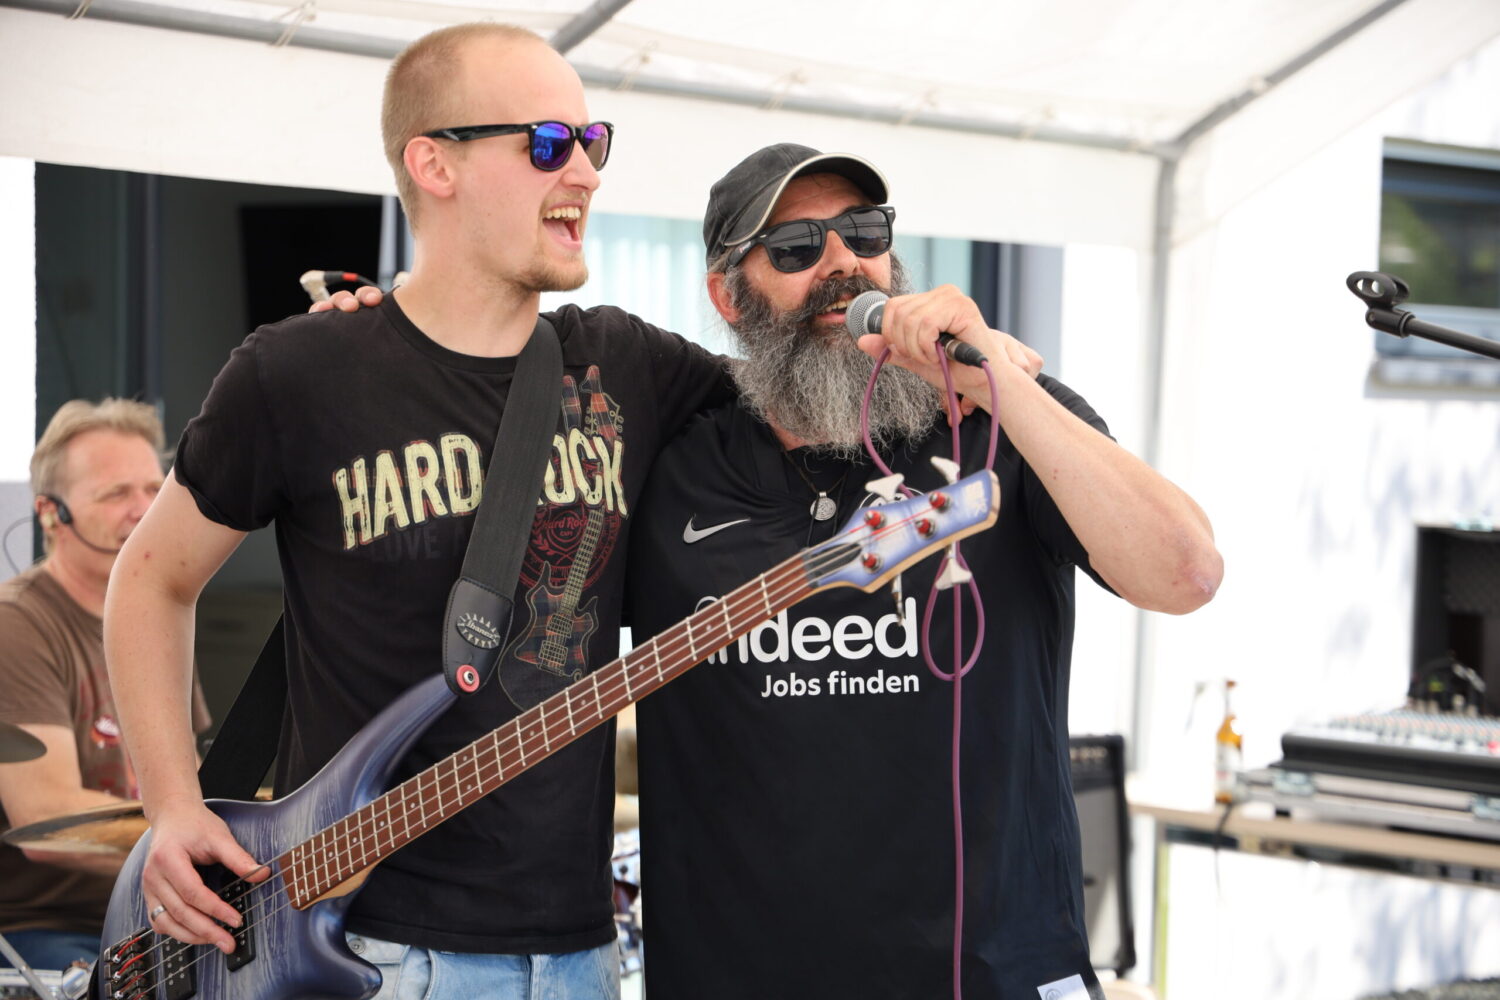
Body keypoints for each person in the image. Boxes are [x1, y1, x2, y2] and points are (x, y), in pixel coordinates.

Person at [104, 22, 732, 1000]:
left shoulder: (628, 363)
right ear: (432, 163)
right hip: (372, 954)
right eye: (546, 145)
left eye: (591, 140)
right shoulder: (297, 373)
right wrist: (172, 807)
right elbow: (150, 580)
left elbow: (800, 412)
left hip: (580, 954)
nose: (587, 175)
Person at [621, 145, 1223, 999]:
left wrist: (991, 377)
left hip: (994, 975)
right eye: (796, 246)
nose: (843, 264)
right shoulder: (670, 464)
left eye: (864, 232)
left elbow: (1187, 572)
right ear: (729, 294)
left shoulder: (997, 416)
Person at [0, 399, 208, 971]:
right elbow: (46, 821)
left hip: (151, 917)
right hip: (46, 933)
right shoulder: (16, 624)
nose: (144, 511)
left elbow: (188, 779)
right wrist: (193, 834)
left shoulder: (157, 616)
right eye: (116, 494)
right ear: (50, 514)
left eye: (151, 489)